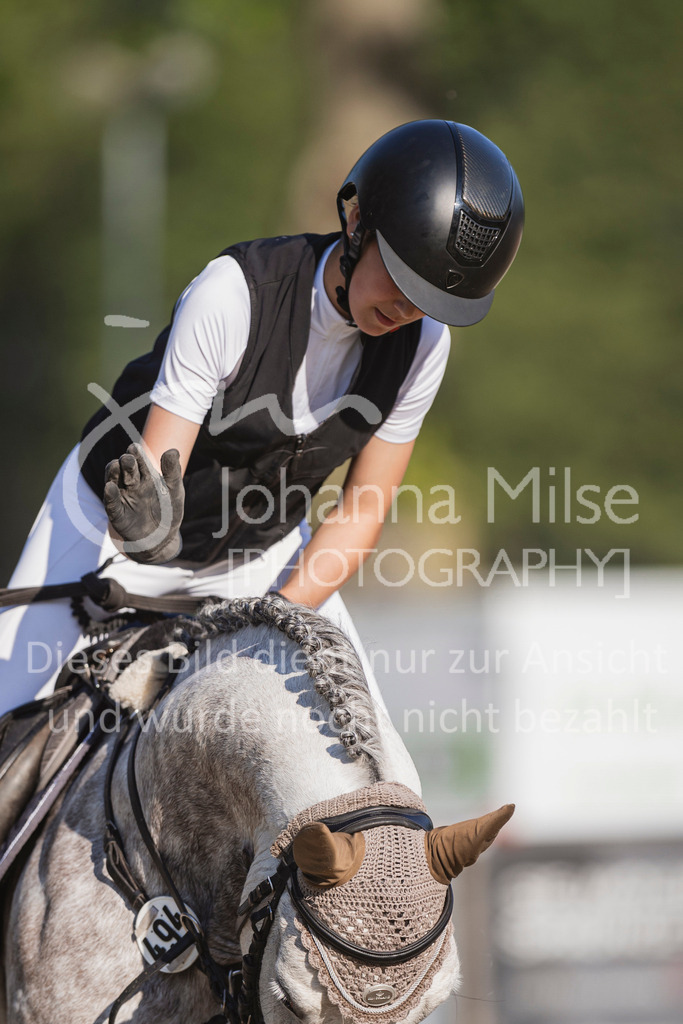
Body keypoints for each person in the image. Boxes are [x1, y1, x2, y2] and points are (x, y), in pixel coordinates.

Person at [0, 119, 524, 718]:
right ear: (357, 224)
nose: (408, 310)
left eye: (431, 300)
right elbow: (151, 490)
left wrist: (277, 615)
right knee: (9, 710)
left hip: (261, 554)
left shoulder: (424, 345)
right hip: (106, 530)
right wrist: (144, 531)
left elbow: (364, 506)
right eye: (404, 279)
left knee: (366, 740)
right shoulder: (235, 295)